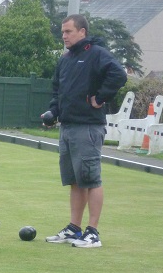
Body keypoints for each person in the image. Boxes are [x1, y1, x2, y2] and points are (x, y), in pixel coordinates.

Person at [42, 14, 127, 248]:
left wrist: (100, 98)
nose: (64, 36)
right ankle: (74, 228)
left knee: (91, 179)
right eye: (62, 32)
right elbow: (58, 90)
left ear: (82, 32)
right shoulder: (66, 59)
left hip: (88, 127)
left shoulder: (97, 53)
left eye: (68, 32)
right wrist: (53, 113)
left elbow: (119, 74)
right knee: (75, 181)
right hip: (67, 126)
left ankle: (93, 233)